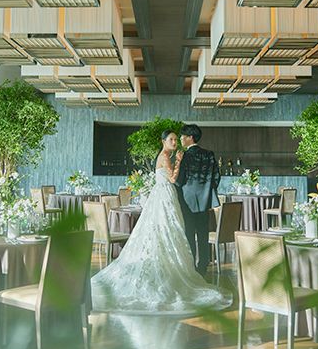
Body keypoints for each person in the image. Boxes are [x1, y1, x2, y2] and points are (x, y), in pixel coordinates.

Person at [91, 130, 231, 315]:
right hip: (166, 196)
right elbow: (173, 178)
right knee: (168, 229)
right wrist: (179, 161)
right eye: (171, 139)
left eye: (177, 139)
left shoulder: (168, 155)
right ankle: (183, 267)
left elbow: (175, 179)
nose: (175, 141)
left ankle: (180, 266)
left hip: (168, 196)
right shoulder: (167, 156)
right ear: (163, 141)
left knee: (171, 230)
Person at [176, 124, 220, 276]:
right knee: (203, 233)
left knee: (189, 233)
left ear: (190, 137)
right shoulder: (209, 154)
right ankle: (203, 265)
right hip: (205, 200)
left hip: (187, 200)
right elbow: (216, 176)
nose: (181, 139)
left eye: (183, 136)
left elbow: (179, 180)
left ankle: (191, 265)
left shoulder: (185, 156)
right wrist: (207, 190)